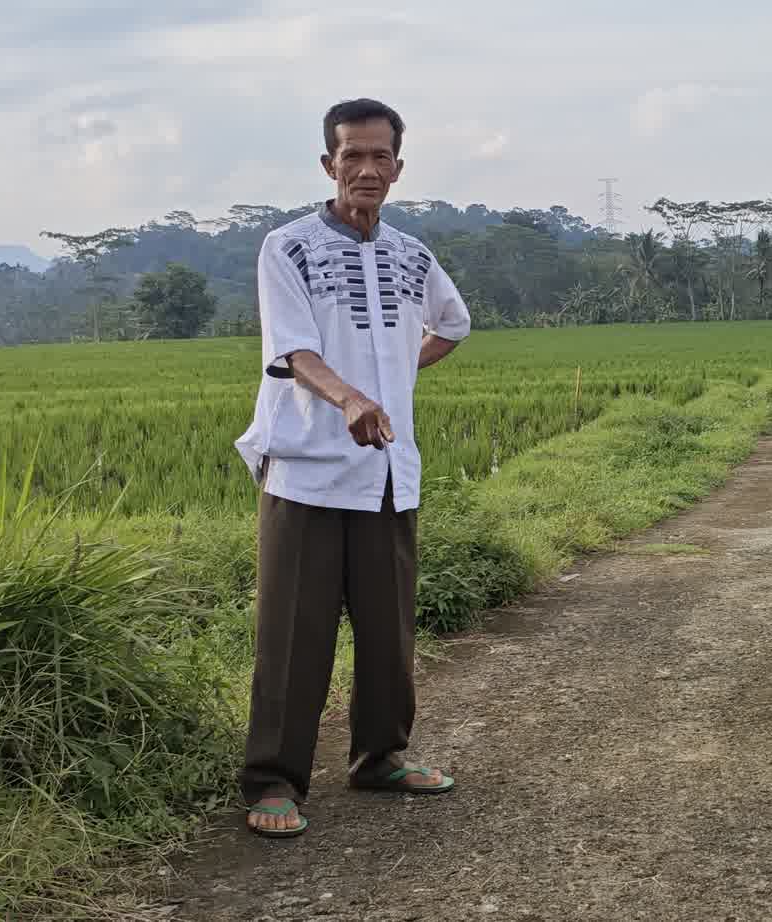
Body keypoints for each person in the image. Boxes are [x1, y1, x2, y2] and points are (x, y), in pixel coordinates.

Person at [231, 97, 471, 838]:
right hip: (307, 468)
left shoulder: (412, 254)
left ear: (399, 167)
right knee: (294, 633)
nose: (366, 169)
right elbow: (295, 350)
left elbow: (453, 324)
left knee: (388, 626)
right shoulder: (289, 246)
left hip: (389, 468)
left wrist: (394, 379)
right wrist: (350, 397)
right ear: (328, 163)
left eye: (380, 157)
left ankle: (379, 758)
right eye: (351, 155)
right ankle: (273, 780)